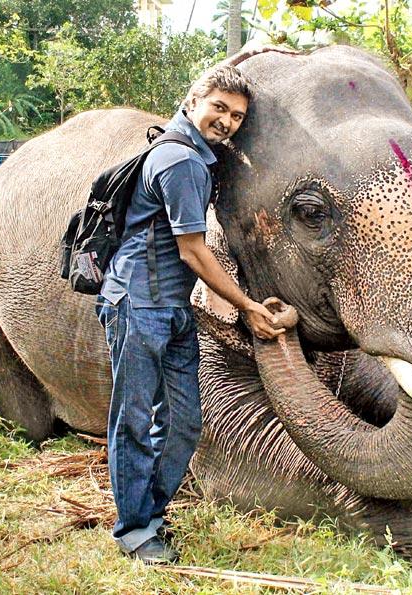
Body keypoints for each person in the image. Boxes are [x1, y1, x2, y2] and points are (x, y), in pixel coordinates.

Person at [95, 65, 285, 564]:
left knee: (184, 421)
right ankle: (135, 530)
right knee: (134, 420)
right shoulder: (181, 162)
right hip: (137, 305)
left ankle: (149, 513)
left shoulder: (199, 158)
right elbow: (193, 252)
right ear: (193, 101)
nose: (226, 121)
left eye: (237, 116)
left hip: (172, 308)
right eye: (218, 108)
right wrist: (245, 306)